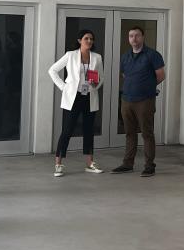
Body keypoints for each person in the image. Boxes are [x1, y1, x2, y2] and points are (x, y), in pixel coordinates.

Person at [48, 30, 105, 177]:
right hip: (73, 97)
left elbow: (101, 78)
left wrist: (95, 83)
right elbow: (52, 70)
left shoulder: (97, 57)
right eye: (86, 38)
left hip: (89, 96)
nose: (89, 41)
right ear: (80, 40)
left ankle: (89, 163)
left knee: (88, 130)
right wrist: (63, 87)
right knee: (67, 130)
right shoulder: (71, 55)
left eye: (91, 39)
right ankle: (58, 164)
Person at [111, 26, 165, 177]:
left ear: (143, 37)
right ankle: (128, 164)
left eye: (137, 36)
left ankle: (149, 166)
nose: (133, 39)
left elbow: (160, 75)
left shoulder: (153, 55)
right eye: (131, 36)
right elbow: (124, 75)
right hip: (127, 99)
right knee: (129, 133)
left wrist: (147, 87)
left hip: (145, 100)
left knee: (147, 133)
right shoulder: (126, 56)